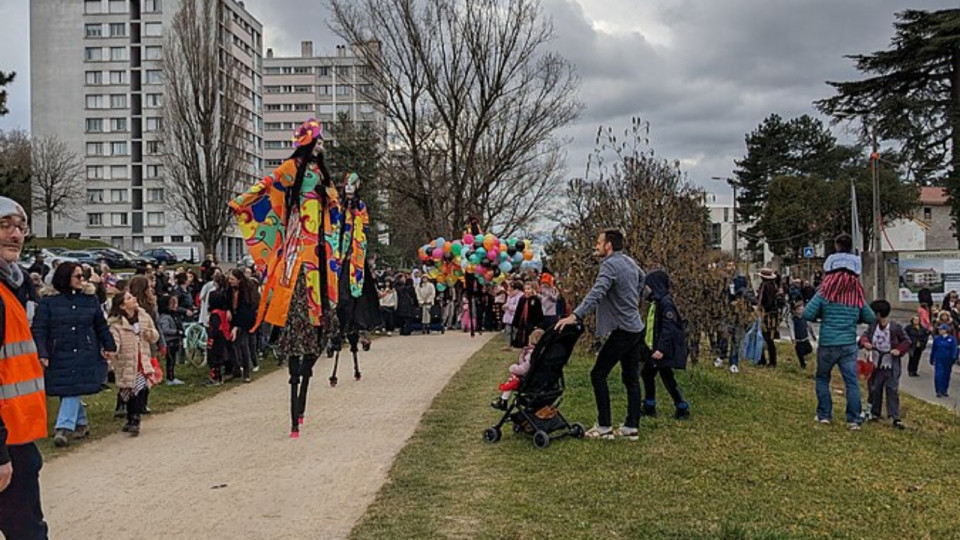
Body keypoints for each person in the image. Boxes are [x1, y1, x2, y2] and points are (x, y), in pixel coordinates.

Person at [228, 118, 342, 437]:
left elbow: (334, 206)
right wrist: (241, 202)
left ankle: (315, 347)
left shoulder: (321, 173)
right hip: (298, 242)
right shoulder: (292, 168)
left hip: (320, 246)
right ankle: (292, 354)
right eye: (318, 140)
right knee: (296, 296)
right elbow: (267, 183)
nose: (322, 145)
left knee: (325, 305)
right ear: (309, 143)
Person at [556, 229, 644, 440]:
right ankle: (631, 427)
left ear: (608, 245)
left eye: (598, 242)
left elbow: (596, 292)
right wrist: (632, 301)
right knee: (631, 378)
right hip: (636, 327)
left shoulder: (609, 265)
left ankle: (604, 426)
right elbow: (642, 279)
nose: (596, 245)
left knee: (598, 374)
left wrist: (575, 315)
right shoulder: (630, 262)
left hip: (623, 329)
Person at [0, 198, 49, 539]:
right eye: (4, 226)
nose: (16, 234)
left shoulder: (13, 287)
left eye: (21, 227)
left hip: (17, 438)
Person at [33, 262, 117, 447]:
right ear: (65, 278)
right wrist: (42, 352)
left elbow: (100, 325)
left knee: (72, 387)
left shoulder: (89, 299)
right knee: (68, 387)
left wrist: (109, 345)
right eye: (78, 276)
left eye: (83, 276)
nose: (82, 280)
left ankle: (63, 427)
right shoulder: (48, 302)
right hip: (58, 351)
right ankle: (81, 422)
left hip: (84, 350)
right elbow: (39, 329)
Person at [802, 233, 876, 430]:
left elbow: (807, 314)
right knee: (851, 382)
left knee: (822, 378)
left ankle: (824, 415)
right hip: (848, 344)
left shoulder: (825, 290)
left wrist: (822, 315)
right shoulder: (856, 292)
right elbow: (870, 317)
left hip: (828, 343)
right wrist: (855, 317)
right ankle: (853, 419)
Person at [108, 287, 160, 436]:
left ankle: (135, 419)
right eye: (129, 298)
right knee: (128, 390)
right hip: (126, 361)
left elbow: (155, 334)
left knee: (139, 388)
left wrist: (150, 334)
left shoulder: (144, 317)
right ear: (122, 305)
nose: (134, 299)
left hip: (142, 360)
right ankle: (130, 416)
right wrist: (112, 352)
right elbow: (115, 343)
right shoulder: (116, 324)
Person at [640, 269, 690, 420]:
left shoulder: (665, 303)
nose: (646, 289)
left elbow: (669, 328)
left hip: (661, 350)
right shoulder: (656, 302)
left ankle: (681, 407)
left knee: (665, 378)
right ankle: (650, 405)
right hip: (653, 348)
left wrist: (661, 349)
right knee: (649, 374)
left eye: (648, 286)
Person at [858, 299, 909, 429]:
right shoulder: (873, 326)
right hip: (875, 362)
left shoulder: (895, 327)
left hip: (890, 363)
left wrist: (898, 350)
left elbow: (906, 341)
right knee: (875, 388)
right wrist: (865, 343)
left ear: (878, 314)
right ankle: (874, 412)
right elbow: (864, 336)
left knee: (892, 389)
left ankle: (894, 416)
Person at [490, 328, 544, 410]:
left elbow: (524, 369)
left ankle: (503, 400)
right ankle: (503, 400)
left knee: (513, 378)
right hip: (536, 376)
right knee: (513, 377)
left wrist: (513, 367)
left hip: (528, 378)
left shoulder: (531, 354)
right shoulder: (541, 352)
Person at [228, 269, 257, 382]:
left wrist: (237, 326)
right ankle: (236, 369)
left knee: (243, 344)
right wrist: (228, 310)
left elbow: (245, 310)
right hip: (233, 318)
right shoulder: (229, 290)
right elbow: (226, 301)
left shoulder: (246, 292)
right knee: (233, 345)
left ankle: (246, 372)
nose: (230, 281)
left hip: (244, 320)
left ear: (239, 280)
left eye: (232, 279)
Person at [205, 291, 233, 386]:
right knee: (220, 357)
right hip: (225, 335)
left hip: (217, 336)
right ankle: (220, 376)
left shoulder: (215, 313)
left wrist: (211, 339)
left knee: (214, 358)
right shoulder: (224, 312)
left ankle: (215, 378)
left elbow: (215, 328)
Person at [157, 295, 185, 386]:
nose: (175, 306)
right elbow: (165, 330)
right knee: (170, 361)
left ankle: (172, 377)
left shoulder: (173, 315)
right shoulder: (165, 317)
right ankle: (170, 378)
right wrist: (177, 332)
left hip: (174, 341)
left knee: (173, 361)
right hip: (169, 342)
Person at [756, 268, 780, 367]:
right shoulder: (774, 286)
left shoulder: (765, 286)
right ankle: (770, 360)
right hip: (773, 315)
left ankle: (766, 360)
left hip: (766, 315)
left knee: (764, 337)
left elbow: (764, 301)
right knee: (769, 338)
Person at [511, 282, 543, 349]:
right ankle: (519, 343)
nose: (526, 291)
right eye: (525, 289)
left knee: (529, 333)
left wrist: (538, 324)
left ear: (532, 289)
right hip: (522, 320)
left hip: (531, 322)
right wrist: (515, 322)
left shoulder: (535, 299)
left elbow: (539, 313)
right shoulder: (522, 299)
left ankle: (528, 344)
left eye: (528, 289)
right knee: (521, 332)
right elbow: (518, 311)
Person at [931, 323, 958, 398]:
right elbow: (934, 349)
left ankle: (944, 390)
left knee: (946, 375)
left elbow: (954, 349)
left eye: (941, 329)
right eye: (939, 329)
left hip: (948, 360)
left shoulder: (952, 339)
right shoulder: (937, 339)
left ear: (946, 330)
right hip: (939, 359)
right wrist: (932, 358)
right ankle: (938, 391)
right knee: (938, 375)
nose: (940, 331)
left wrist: (954, 357)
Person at [791, 304, 816, 369]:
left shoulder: (805, 318)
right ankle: (802, 365)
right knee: (800, 354)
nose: (800, 311)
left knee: (809, 350)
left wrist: (813, 335)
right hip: (798, 340)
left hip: (805, 339)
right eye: (798, 309)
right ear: (795, 310)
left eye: (802, 309)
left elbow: (810, 327)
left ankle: (805, 358)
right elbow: (791, 329)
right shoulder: (793, 319)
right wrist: (793, 338)